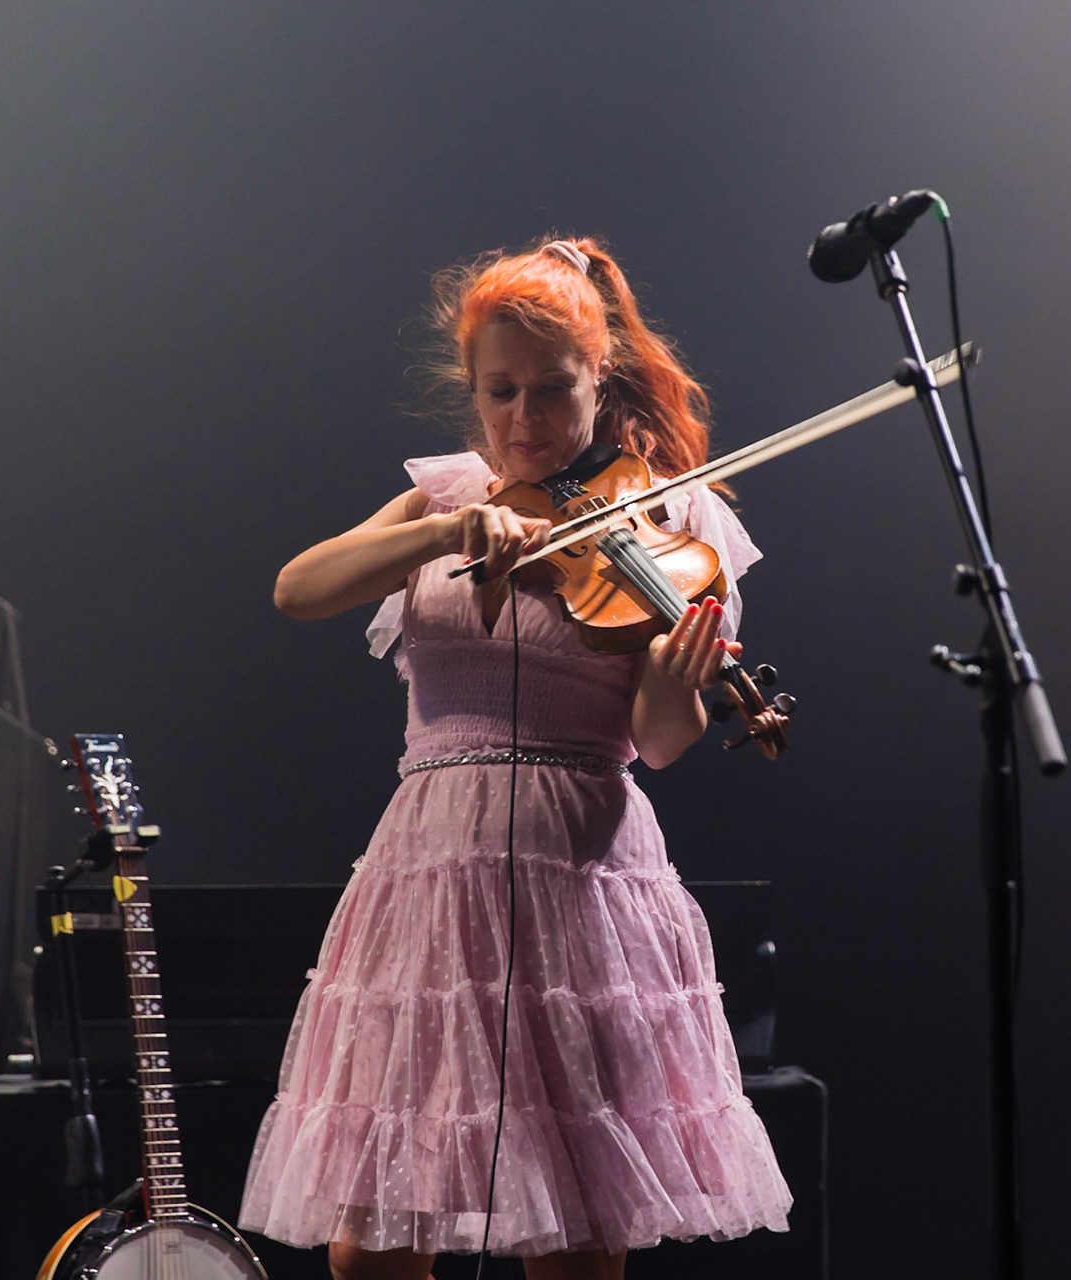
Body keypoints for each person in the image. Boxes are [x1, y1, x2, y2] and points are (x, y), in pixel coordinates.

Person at [238, 237, 793, 1280]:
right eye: (500, 393)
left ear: (600, 377)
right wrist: (438, 534)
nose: (524, 420)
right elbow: (297, 588)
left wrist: (671, 677)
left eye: (553, 390)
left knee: (573, 1235)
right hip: (431, 867)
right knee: (372, 1245)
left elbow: (663, 742)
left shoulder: (674, 520)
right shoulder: (443, 496)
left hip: (576, 872)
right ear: (473, 388)